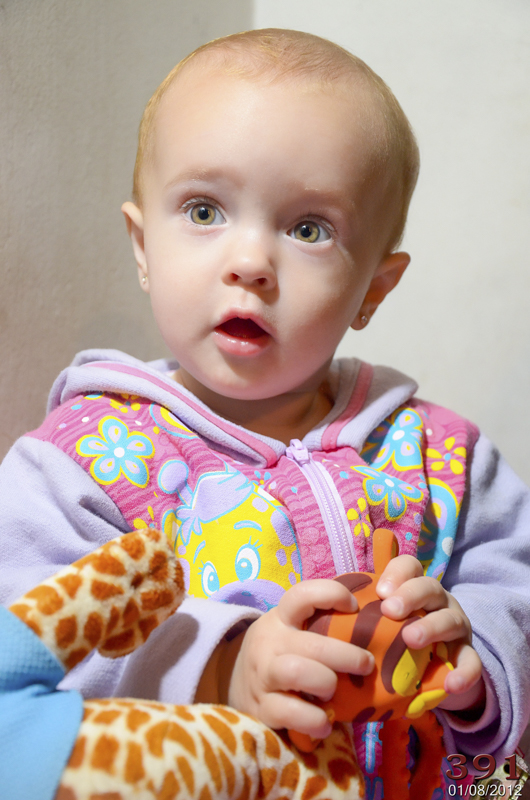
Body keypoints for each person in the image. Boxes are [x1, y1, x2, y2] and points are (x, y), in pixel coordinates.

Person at [1, 28, 529, 796]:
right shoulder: (79, 463)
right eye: (204, 210)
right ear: (143, 247)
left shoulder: (439, 452)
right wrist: (223, 664)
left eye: (309, 229)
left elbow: (516, 585)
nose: (250, 263)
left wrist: (473, 650)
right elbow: (30, 647)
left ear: (373, 290)